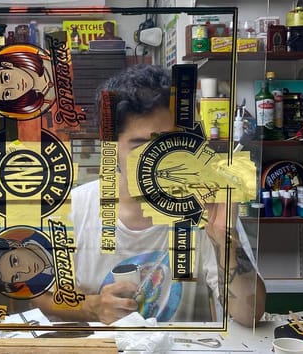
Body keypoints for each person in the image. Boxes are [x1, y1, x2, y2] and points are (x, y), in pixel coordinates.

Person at [32, 64, 266, 327]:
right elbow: (42, 294)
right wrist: (92, 307)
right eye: (141, 145)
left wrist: (225, 238)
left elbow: (250, 316)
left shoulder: (206, 208)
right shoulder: (72, 210)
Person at [0, 44, 55, 119]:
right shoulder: (39, 109)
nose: (15, 86)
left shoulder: (45, 56)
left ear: (7, 64)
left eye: (6, 78)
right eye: (7, 94)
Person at [0, 227, 55, 299]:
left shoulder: (44, 234)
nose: (26, 270)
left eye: (15, 261)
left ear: (14, 244)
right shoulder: (36, 287)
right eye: (16, 276)